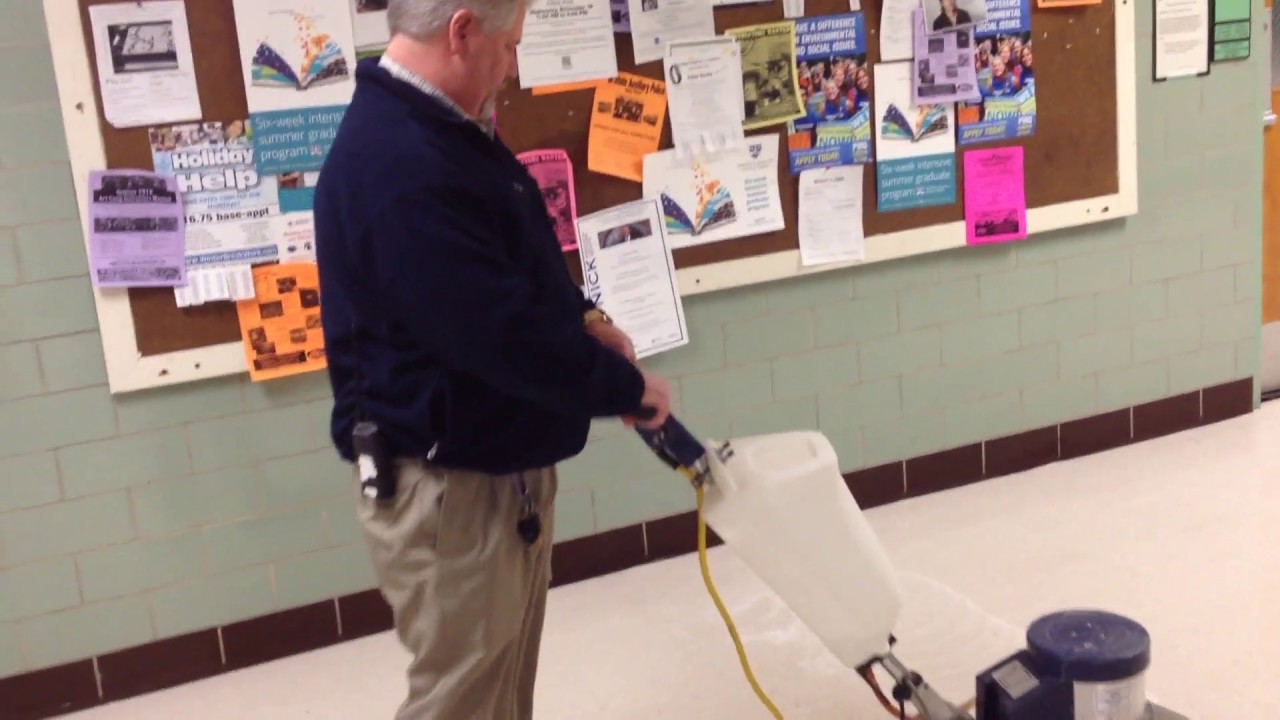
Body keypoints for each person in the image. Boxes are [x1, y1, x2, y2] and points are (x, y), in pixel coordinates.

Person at [312, 0, 673, 717]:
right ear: (461, 30)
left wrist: (586, 319)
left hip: (495, 470)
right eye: (509, 45)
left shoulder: (446, 131)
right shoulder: (400, 164)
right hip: (451, 488)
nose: (511, 66)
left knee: (501, 694)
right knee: (465, 701)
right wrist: (624, 389)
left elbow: (512, 264)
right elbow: (498, 334)